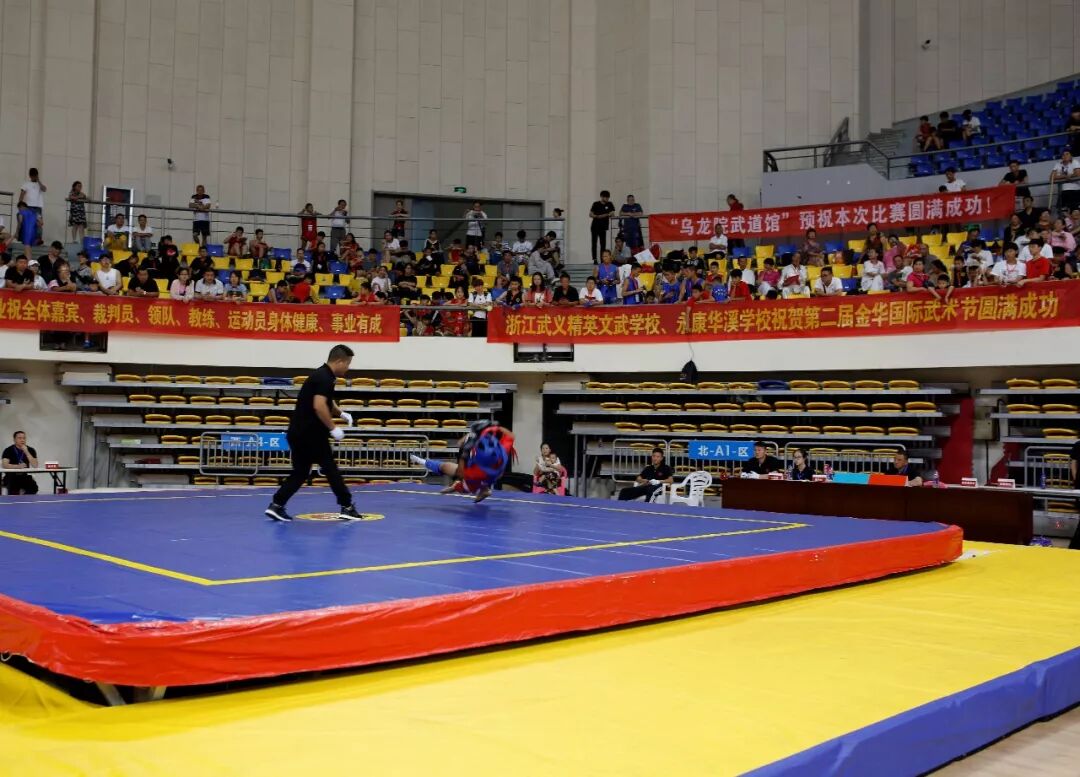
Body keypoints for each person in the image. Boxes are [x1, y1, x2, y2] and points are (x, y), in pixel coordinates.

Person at [263, 346, 362, 521]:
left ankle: (276, 505)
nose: (348, 368)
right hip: (312, 434)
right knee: (330, 469)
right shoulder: (325, 378)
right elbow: (319, 405)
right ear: (339, 361)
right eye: (347, 364)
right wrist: (333, 428)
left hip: (297, 432)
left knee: (301, 472)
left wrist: (341, 414)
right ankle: (347, 507)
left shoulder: (322, 375)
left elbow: (327, 401)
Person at [410, 420, 517, 503]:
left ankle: (422, 461)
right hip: (492, 471)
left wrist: (464, 455)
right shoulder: (500, 448)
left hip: (477, 477)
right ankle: (482, 489)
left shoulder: (474, 473)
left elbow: (461, 474)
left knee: (449, 469)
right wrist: (495, 427)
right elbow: (510, 436)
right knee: (454, 468)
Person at [2, 431, 39, 495]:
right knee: (13, 488)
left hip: (24, 476)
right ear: (14, 439)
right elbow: (5, 465)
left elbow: (35, 465)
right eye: (20, 438)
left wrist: (26, 451)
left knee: (34, 488)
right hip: (11, 476)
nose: (22, 440)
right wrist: (17, 466)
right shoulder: (8, 450)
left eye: (24, 438)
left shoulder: (30, 450)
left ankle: (25, 499)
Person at [588, 190, 615, 264]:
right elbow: (590, 214)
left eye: (608, 197)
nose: (607, 199)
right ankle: (595, 259)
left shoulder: (609, 204)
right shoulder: (596, 204)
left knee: (603, 244)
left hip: (603, 227)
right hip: (595, 226)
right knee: (594, 243)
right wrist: (597, 216)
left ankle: (603, 259)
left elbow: (612, 213)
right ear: (602, 197)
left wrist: (606, 215)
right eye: (606, 197)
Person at [19, 168, 47, 234]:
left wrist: (38, 181)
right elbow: (21, 195)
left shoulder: (39, 185)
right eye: (33, 176)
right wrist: (20, 205)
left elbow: (44, 189)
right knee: (27, 223)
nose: (34, 177)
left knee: (39, 223)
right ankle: (27, 237)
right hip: (28, 207)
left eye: (35, 176)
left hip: (37, 207)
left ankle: (38, 238)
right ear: (30, 176)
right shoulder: (26, 184)